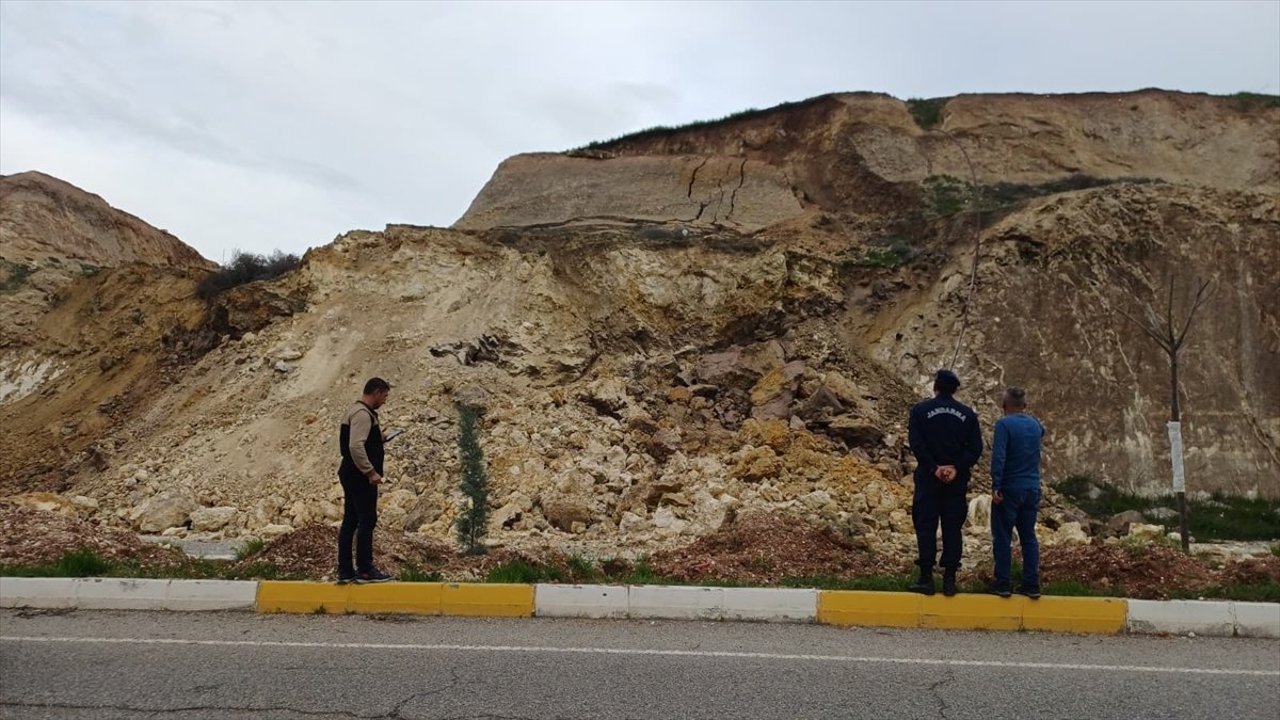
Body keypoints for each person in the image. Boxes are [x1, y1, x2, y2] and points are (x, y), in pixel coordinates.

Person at [907, 369, 983, 596]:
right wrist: (956, 467)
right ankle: (950, 580)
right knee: (952, 527)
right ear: (956, 389)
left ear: (935, 386)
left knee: (925, 525)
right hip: (956, 482)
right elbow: (975, 448)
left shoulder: (920, 411)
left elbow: (916, 443)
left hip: (928, 478)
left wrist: (934, 468)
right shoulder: (968, 414)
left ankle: (926, 578)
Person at [989, 386, 1046, 599]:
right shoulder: (1035, 424)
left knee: (1003, 536)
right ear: (1025, 405)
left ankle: (1003, 583)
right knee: (1028, 536)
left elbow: (999, 457)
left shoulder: (1003, 425)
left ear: (1004, 405)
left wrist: (996, 485)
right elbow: (1042, 432)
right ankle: (1031, 584)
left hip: (1010, 487)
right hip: (1032, 487)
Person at [336, 377, 394, 584]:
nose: (385, 400)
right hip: (360, 476)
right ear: (376, 392)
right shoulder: (362, 414)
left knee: (351, 520)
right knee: (367, 519)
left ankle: (345, 571)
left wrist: (378, 438)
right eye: (384, 396)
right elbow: (355, 446)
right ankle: (365, 569)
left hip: (351, 473)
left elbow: (360, 440)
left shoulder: (356, 411)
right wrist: (370, 472)